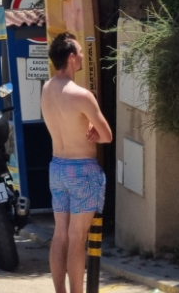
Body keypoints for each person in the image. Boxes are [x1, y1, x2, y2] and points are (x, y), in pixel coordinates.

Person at [42, 32, 112, 293]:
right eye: (80, 52)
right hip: (82, 168)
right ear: (71, 57)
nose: (83, 55)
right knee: (77, 238)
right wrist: (93, 125)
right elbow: (106, 136)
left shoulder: (47, 89)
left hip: (57, 167)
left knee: (60, 234)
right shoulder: (82, 95)